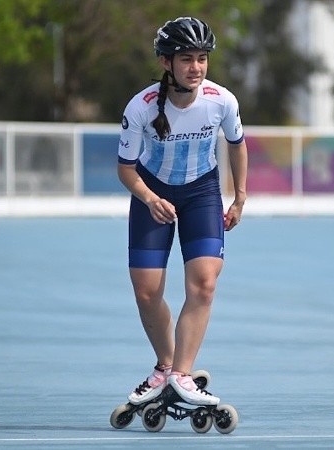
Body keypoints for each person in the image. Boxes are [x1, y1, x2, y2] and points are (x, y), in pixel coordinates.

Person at [117, 16, 248, 407]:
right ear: (166, 63)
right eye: (186, 58)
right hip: (152, 192)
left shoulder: (221, 100)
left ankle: (182, 375)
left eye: (202, 58)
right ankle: (164, 366)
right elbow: (125, 169)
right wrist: (148, 197)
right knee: (146, 291)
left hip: (202, 192)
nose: (196, 67)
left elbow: (237, 144)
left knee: (204, 282)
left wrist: (239, 197)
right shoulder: (140, 107)